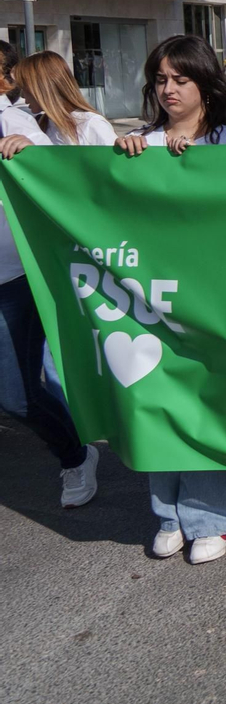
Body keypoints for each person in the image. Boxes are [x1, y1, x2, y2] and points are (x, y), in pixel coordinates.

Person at [111, 35, 226, 564]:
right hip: (153, 295)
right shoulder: (139, 142)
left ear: (204, 84)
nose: (169, 89)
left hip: (216, 296)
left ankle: (210, 517)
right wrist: (125, 161)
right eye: (161, 80)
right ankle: (168, 513)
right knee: (156, 398)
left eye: (181, 79)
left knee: (205, 401)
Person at [0, 44, 100, 510]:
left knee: (18, 396)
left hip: (16, 277)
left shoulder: (17, 122)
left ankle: (75, 455)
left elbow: (65, 184)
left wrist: (32, 151)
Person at [10, 51, 117, 145]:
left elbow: (112, 160)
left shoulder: (91, 124)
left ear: (42, 88)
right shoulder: (43, 123)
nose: (22, 95)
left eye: (25, 88)